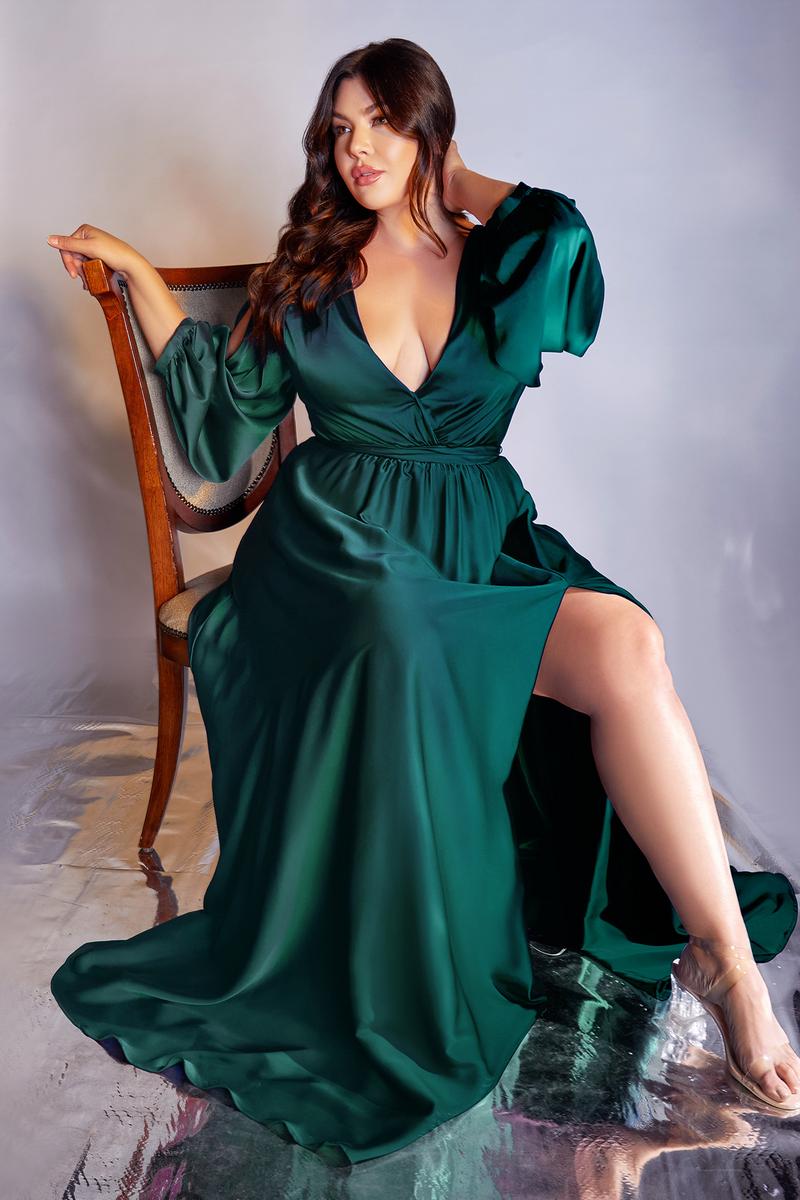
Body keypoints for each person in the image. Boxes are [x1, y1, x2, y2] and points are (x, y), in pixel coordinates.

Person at [46, 37, 800, 1166]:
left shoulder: (499, 262)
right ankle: (411, 959)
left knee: (629, 645)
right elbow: (217, 433)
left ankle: (725, 964)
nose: (356, 148)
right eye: (339, 129)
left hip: (479, 544)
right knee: (399, 620)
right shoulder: (306, 276)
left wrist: (456, 180)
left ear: (427, 128)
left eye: (382, 123)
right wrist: (145, 285)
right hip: (335, 553)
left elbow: (566, 235)